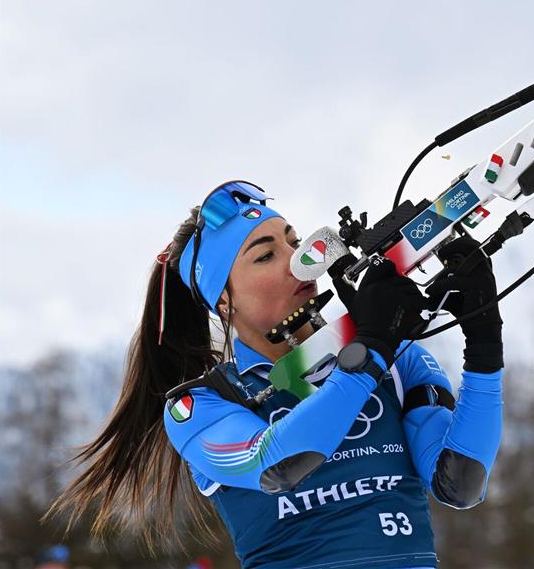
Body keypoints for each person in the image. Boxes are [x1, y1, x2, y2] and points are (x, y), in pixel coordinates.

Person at [49, 181, 505, 569]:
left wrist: (484, 344)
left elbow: (460, 483)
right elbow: (279, 464)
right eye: (266, 255)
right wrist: (370, 350)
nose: (297, 259)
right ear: (224, 300)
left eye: (295, 241)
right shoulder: (200, 406)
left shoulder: (400, 361)